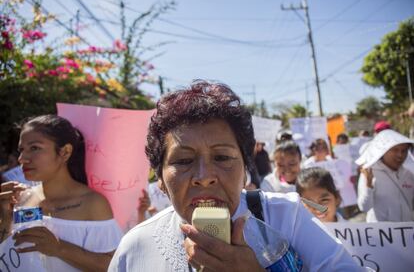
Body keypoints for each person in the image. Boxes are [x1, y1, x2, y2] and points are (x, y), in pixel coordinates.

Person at [109, 80, 362, 271]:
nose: (204, 176)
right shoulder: (135, 248)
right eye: (184, 160)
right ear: (161, 181)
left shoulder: (287, 218)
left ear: (245, 170)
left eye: (222, 157)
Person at [0, 115, 122, 271]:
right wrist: (5, 217)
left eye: (35, 148)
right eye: (21, 150)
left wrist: (59, 248)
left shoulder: (93, 203)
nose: (22, 159)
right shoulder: (23, 198)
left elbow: (116, 265)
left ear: (65, 152)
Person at [356, 129, 414, 222]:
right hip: (381, 234)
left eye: (404, 151)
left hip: (407, 233)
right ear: (383, 150)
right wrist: (369, 185)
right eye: (395, 150)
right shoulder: (369, 172)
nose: (400, 155)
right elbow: (364, 207)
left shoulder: (409, 174)